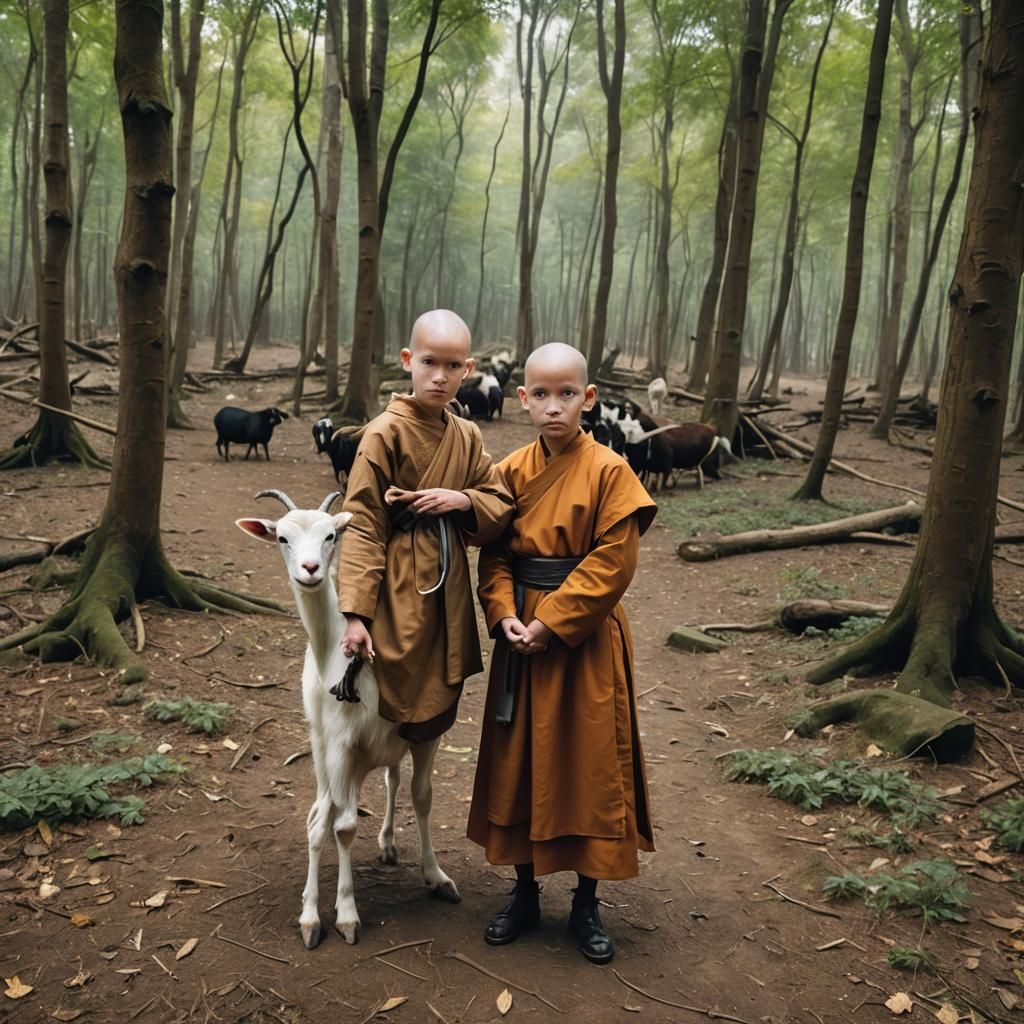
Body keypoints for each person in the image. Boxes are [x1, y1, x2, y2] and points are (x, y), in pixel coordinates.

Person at [467, 342, 657, 965]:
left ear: (588, 398)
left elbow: (614, 562)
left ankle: (586, 902)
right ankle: (523, 893)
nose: (554, 407)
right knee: (520, 760)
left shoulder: (610, 470)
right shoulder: (509, 471)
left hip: (584, 640)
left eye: (567, 394)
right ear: (522, 399)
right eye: (541, 395)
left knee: (589, 761)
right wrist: (503, 615)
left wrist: (551, 620)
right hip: (520, 636)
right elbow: (494, 554)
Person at [338, 309, 514, 742]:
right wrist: (356, 614)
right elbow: (361, 524)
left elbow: (499, 500)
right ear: (407, 360)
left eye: (453, 366)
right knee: (402, 669)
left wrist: (462, 499)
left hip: (448, 580)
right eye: (429, 362)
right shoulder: (383, 434)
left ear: (468, 370)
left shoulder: (467, 434)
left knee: (441, 670)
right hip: (398, 580)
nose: (440, 376)